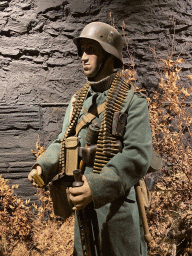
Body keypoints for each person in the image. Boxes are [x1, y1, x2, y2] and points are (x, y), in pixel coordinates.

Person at [28, 22, 152, 256]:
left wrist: (95, 187)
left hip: (117, 213)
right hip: (83, 210)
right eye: (82, 50)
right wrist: (42, 167)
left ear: (108, 56)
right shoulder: (77, 102)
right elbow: (63, 141)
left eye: (91, 50)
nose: (83, 57)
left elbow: (136, 157)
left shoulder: (133, 103)